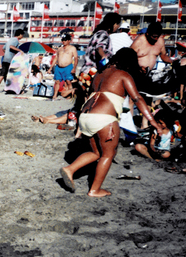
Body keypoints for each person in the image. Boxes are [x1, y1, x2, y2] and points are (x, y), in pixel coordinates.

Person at [60, 48, 162, 197]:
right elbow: (137, 99)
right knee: (108, 154)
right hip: (104, 119)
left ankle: (69, 169)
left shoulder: (98, 74)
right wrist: (153, 121)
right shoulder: (123, 75)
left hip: (86, 116)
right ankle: (95, 190)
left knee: (96, 152)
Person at [48, 33, 78, 100]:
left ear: (69, 41)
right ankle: (55, 95)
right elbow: (56, 58)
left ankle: (70, 95)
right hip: (58, 67)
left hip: (68, 67)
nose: (63, 41)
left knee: (68, 81)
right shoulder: (60, 49)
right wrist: (50, 68)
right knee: (57, 82)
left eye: (65, 40)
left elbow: (76, 58)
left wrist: (74, 68)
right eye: (62, 40)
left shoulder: (72, 48)